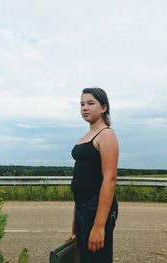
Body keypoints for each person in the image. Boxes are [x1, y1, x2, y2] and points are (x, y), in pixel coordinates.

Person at [69, 87, 119, 263]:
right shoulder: (86, 136)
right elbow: (81, 182)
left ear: (104, 107)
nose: (84, 108)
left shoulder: (106, 135)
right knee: (85, 259)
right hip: (83, 206)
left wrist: (99, 226)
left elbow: (110, 179)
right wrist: (75, 221)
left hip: (96, 207)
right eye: (82, 104)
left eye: (91, 103)